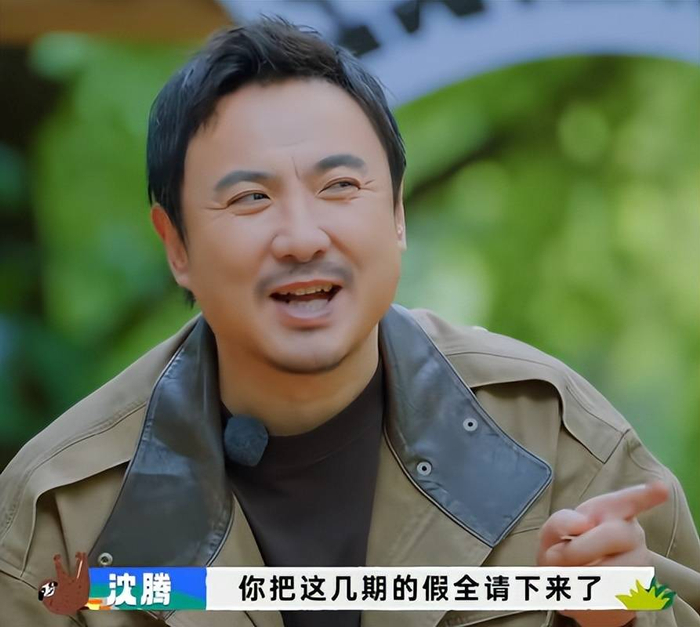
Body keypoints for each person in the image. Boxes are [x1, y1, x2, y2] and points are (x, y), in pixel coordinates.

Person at [0, 18, 698, 627]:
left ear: (396, 213)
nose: (302, 237)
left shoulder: (555, 437)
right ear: (176, 245)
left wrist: (622, 614)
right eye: (250, 198)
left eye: (339, 186)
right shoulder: (62, 510)